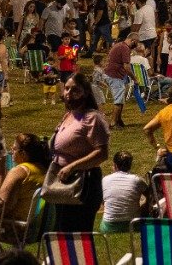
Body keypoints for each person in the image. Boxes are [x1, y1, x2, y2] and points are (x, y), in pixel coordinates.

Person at [49, 72, 111, 232]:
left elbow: (102, 153)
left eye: (75, 90)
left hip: (83, 184)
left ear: (86, 93)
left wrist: (73, 166)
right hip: (62, 184)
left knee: (76, 237)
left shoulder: (92, 118)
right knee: (60, 234)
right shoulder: (69, 115)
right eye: (67, 89)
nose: (68, 94)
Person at [0, 133, 50, 243]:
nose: (11, 149)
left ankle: (1, 257)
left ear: (24, 154)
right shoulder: (44, 171)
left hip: (16, 229)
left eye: (14, 148)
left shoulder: (19, 172)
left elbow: (3, 207)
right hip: (38, 229)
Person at [99, 150, 151, 233]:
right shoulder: (137, 180)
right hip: (134, 225)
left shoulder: (104, 180)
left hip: (109, 227)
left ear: (115, 165)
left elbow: (102, 201)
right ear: (130, 165)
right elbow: (151, 195)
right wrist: (145, 206)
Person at [102, 31, 139, 128]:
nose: (137, 45)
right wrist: (135, 79)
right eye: (137, 42)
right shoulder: (125, 48)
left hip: (112, 74)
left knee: (121, 99)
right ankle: (113, 123)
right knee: (118, 100)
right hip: (115, 76)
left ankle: (118, 121)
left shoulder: (119, 45)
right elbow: (127, 67)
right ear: (133, 40)